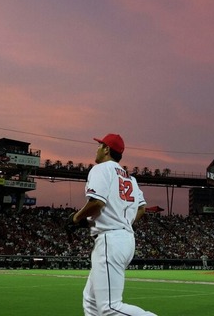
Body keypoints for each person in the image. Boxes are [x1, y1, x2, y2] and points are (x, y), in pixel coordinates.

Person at [67, 133, 156, 316]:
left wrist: (75, 218)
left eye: (100, 145)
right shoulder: (130, 179)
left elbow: (96, 202)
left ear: (107, 149)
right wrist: (119, 220)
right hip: (125, 239)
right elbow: (142, 209)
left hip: (111, 240)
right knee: (90, 301)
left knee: (110, 307)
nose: (97, 148)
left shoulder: (102, 169)